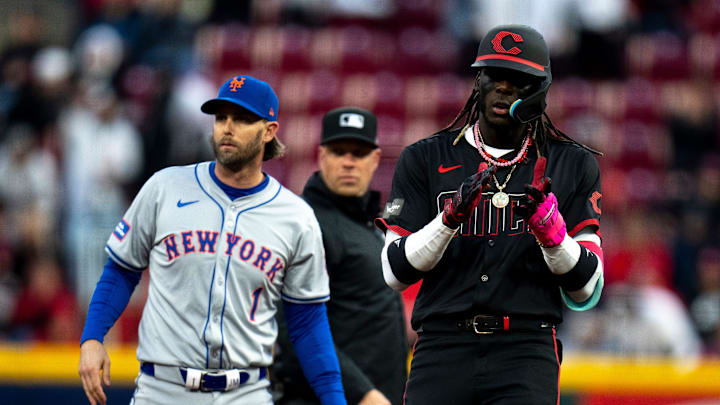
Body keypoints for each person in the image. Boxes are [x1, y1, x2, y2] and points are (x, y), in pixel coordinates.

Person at [78, 75, 347, 405]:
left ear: (269, 131)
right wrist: (92, 336)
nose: (227, 128)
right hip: (162, 389)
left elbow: (307, 321)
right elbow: (121, 270)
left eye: (243, 118)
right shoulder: (165, 188)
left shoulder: (296, 217)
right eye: (221, 117)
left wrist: (334, 399)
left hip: (246, 391)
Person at [375, 25, 605, 404]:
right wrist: (447, 221)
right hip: (442, 345)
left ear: (540, 91)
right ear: (477, 81)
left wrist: (554, 239)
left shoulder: (572, 164)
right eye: (493, 76)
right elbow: (394, 273)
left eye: (518, 80)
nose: (504, 88)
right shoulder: (426, 157)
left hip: (526, 348)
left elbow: (586, 287)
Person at [272, 107, 408, 405]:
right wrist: (362, 393)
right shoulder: (307, 225)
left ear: (374, 160)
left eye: (358, 153)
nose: (348, 162)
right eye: (338, 152)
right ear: (322, 156)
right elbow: (293, 327)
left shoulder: (370, 226)